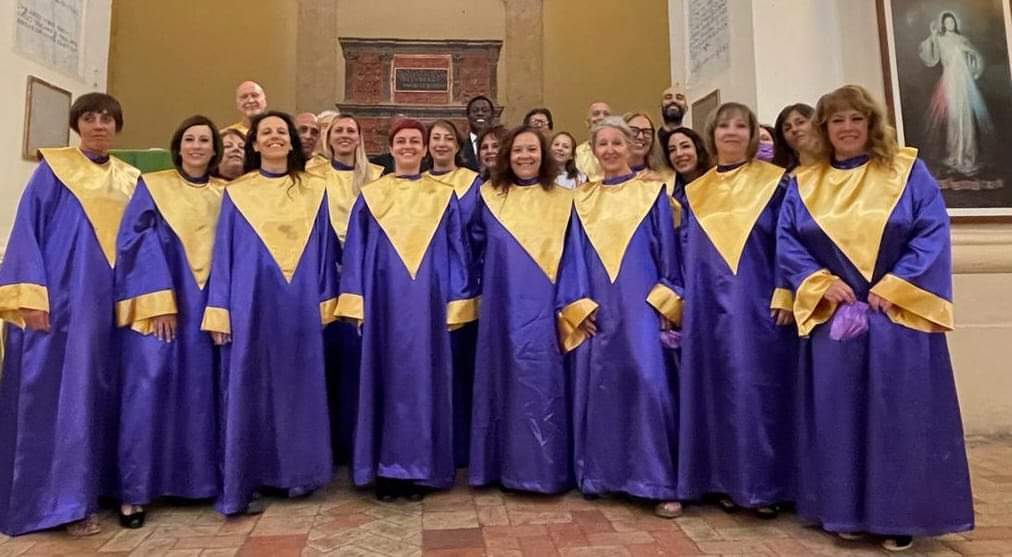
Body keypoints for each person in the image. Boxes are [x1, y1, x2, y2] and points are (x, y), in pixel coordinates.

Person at [778, 84, 973, 552]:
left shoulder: (907, 171)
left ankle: (898, 516)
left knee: (898, 415)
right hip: (836, 316)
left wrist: (897, 283)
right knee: (839, 415)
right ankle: (843, 510)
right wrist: (819, 282)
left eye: (856, 119)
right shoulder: (805, 183)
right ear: (823, 129)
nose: (847, 128)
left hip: (897, 316)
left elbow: (931, 231)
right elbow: (788, 242)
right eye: (837, 120)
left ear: (871, 124)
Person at [0, 93, 140, 536]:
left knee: (106, 395)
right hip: (60, 304)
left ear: (117, 126)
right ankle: (62, 504)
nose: (99, 125)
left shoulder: (131, 179)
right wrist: (30, 296)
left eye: (107, 119)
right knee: (63, 399)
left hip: (111, 305)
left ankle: (101, 490)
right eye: (90, 118)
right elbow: (26, 231)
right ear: (77, 125)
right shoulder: (53, 171)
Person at [201, 111, 338, 515]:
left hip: (299, 302)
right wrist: (220, 310)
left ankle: (299, 472)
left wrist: (325, 302)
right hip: (249, 301)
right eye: (267, 132)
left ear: (292, 142)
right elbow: (223, 253)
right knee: (251, 385)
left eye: (282, 131)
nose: (275, 137)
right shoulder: (237, 192)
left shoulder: (315, 189)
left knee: (299, 385)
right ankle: (253, 474)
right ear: (255, 143)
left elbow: (325, 250)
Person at [337, 119, 477, 501]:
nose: (409, 147)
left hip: (429, 305)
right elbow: (355, 252)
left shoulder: (443, 196)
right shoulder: (371, 195)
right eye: (402, 141)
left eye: (416, 141)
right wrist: (355, 301)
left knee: (423, 382)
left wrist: (458, 303)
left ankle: (420, 470)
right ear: (391, 147)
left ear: (425, 149)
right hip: (382, 302)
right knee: (383, 379)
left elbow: (457, 251)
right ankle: (386, 470)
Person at [677, 102, 797, 519]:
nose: (731, 132)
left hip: (756, 302)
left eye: (740, 125)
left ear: (752, 135)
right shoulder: (696, 191)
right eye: (723, 125)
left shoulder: (775, 183)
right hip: (706, 306)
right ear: (711, 135)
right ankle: (721, 480)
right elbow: (684, 250)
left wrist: (786, 291)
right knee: (715, 390)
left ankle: (764, 485)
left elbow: (788, 241)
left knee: (756, 389)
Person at [114, 115, 226, 528]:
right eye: (190, 139)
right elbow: (134, 242)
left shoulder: (227, 194)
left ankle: (200, 483)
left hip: (210, 307)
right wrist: (158, 300)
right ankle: (135, 493)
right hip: (163, 306)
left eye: (205, 140)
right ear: (178, 147)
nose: (197, 146)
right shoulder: (152, 187)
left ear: (214, 150)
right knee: (150, 389)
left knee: (205, 392)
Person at [469, 126, 593, 494]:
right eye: (518, 151)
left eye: (532, 150)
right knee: (503, 381)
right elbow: (474, 249)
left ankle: (545, 471)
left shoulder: (565, 199)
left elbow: (575, 254)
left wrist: (573, 304)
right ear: (507, 156)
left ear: (544, 156)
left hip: (547, 306)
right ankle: (501, 467)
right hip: (500, 306)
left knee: (543, 382)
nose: (525, 157)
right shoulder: (488, 196)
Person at [571, 116, 682, 518]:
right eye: (602, 144)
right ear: (593, 150)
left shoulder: (652, 193)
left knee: (648, 381)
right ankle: (604, 476)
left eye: (617, 142)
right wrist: (578, 305)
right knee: (604, 383)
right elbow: (573, 256)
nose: (610, 150)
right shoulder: (581, 199)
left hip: (642, 304)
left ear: (632, 146)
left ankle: (657, 481)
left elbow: (669, 251)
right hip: (599, 306)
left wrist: (669, 301)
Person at [311, 113, 383, 466]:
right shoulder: (311, 178)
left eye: (350, 131)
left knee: (359, 361)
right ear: (328, 137)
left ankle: (357, 441)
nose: (344, 136)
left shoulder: (378, 178)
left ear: (359, 137)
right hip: (323, 276)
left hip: (364, 278)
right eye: (338, 130)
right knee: (325, 361)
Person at [424, 120, 483, 468]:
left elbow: (479, 234)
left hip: (464, 284)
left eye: (448, 138)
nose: (442, 143)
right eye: (436, 138)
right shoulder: (415, 184)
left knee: (460, 367)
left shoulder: (473, 183)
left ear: (458, 145)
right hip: (425, 286)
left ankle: (460, 446)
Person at [919, 11, 992, 176]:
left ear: (955, 24)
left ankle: (967, 155)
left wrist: (969, 54)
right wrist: (932, 35)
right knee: (953, 118)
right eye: (947, 22)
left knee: (966, 118)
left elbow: (976, 59)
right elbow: (931, 57)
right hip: (949, 82)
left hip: (964, 83)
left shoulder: (962, 40)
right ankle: (954, 155)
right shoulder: (940, 39)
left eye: (952, 22)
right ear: (943, 24)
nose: (950, 24)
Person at [772, 103, 819, 172]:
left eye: (800, 122)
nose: (794, 129)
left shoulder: (835, 163)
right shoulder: (786, 176)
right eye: (787, 128)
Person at [624, 112, 668, 180]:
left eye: (647, 132)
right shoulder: (606, 174)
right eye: (633, 131)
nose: (641, 137)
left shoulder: (665, 178)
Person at [575, 101, 611, 182]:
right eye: (596, 114)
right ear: (587, 123)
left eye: (606, 114)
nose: (602, 117)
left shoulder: (620, 151)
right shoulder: (577, 153)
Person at [461, 96, 497, 171]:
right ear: (468, 116)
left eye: (485, 111)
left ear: (492, 116)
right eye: (475, 111)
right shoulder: (460, 148)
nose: (480, 113)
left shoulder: (504, 144)